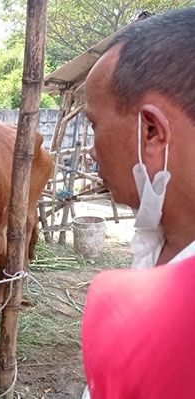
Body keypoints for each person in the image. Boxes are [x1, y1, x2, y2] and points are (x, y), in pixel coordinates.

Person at [81, 7, 195, 398]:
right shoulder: (161, 242)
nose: (91, 151)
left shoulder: (125, 312)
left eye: (94, 125)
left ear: (151, 132)